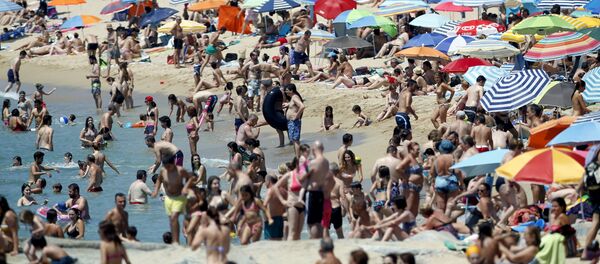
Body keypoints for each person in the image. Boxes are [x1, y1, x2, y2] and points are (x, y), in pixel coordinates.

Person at [151, 151, 195, 245]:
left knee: (175, 217)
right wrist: (155, 191)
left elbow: (190, 178)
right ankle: (176, 240)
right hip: (168, 198)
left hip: (179, 197)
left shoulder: (179, 170)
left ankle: (177, 240)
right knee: (172, 220)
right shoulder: (163, 171)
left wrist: (186, 187)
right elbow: (159, 180)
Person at [283, 84, 305, 157]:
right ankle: (297, 156)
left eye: (287, 90)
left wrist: (297, 115)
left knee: (296, 141)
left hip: (294, 122)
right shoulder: (293, 98)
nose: (286, 92)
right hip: (291, 122)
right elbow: (294, 105)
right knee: (293, 140)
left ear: (291, 90)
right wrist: (288, 104)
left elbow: (302, 106)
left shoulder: (295, 97)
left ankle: (298, 157)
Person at [263, 175, 285, 240]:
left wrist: (267, 218)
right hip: (281, 219)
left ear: (269, 181)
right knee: (279, 241)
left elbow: (264, 205)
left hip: (272, 220)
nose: (264, 183)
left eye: (265, 181)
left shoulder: (270, 190)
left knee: (270, 242)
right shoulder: (282, 190)